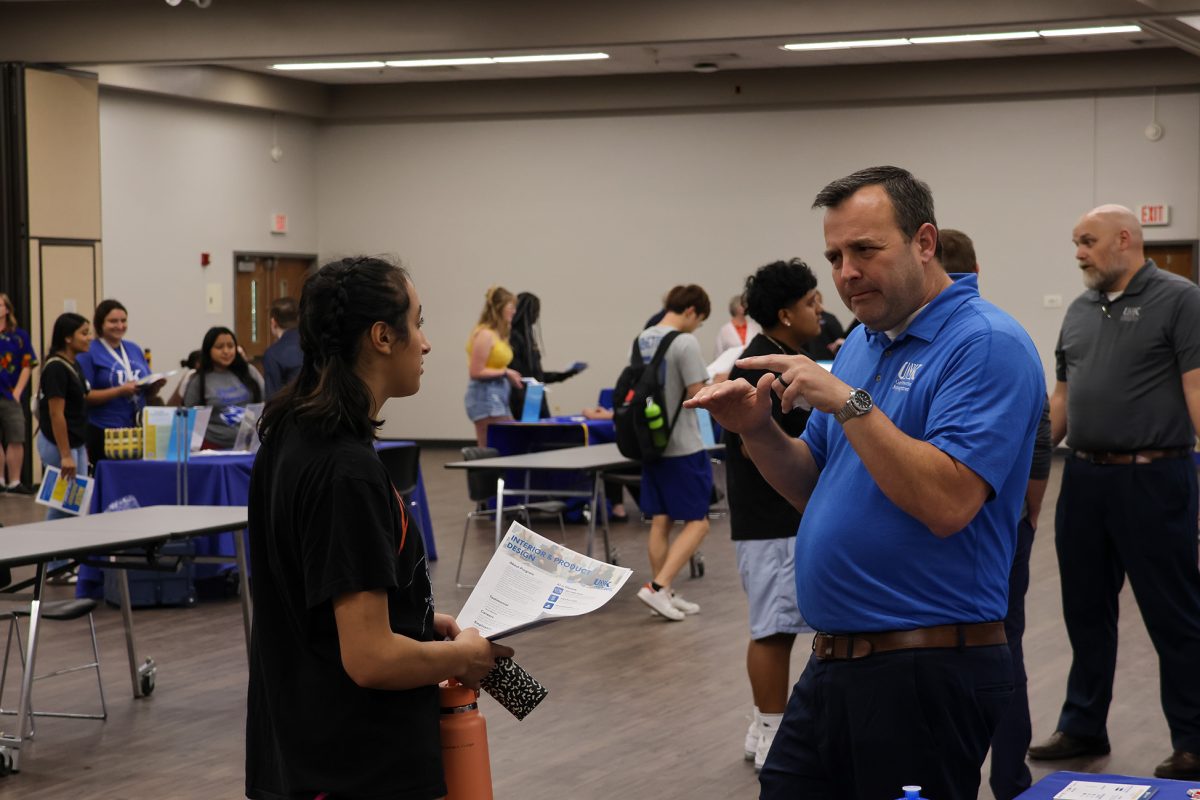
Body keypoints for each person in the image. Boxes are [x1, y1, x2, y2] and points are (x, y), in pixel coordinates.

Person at [686, 165, 1043, 800]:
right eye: (835, 255)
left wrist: (850, 403)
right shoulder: (863, 344)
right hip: (833, 665)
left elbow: (948, 502)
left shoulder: (986, 343)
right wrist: (758, 431)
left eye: (865, 250)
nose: (846, 271)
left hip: (925, 667)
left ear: (924, 243)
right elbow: (812, 486)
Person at [247, 256, 512, 800]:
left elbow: (319, 597)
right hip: (353, 767)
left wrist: (416, 618)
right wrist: (465, 656)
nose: (427, 343)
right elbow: (371, 658)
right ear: (382, 337)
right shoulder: (346, 469)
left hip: (300, 753)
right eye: (419, 322)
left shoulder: (289, 434)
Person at [1028, 205, 1200, 781]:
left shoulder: (1180, 298)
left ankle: (1194, 739)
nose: (1078, 251)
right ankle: (1082, 723)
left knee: (1174, 614)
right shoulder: (1077, 311)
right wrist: (1021, 465)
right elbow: (1060, 400)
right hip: (1083, 478)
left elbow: (1196, 389)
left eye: (1088, 241)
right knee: (1084, 609)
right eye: (1076, 241)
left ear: (1125, 239)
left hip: (1155, 477)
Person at [933, 228, 1053, 800]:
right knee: (1006, 647)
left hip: (979, 532)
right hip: (996, 529)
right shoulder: (994, 336)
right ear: (975, 267)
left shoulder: (986, 340)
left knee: (993, 650)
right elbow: (1041, 442)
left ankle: (1004, 779)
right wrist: (1028, 514)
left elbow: (1037, 439)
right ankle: (1010, 781)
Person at [725, 259, 823, 771]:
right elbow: (755, 446)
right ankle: (770, 733)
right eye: (812, 302)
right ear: (785, 314)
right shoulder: (762, 365)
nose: (821, 310)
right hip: (770, 523)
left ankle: (763, 726)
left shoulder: (789, 357)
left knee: (780, 625)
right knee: (773, 629)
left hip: (783, 522)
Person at [632, 283, 712, 622]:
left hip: (652, 443)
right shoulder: (685, 342)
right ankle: (658, 587)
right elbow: (697, 393)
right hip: (683, 445)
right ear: (691, 311)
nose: (698, 327)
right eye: (701, 320)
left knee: (661, 518)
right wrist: (718, 380)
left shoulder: (641, 339)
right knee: (699, 522)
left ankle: (664, 592)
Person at [78, 299, 163, 464]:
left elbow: (144, 389)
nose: (120, 326)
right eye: (113, 321)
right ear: (100, 323)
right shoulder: (89, 351)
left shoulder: (133, 348)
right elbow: (84, 395)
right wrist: (119, 391)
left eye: (123, 321)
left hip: (136, 428)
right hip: (104, 429)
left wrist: (154, 387)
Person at [36, 313, 92, 518]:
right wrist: (65, 455)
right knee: (61, 506)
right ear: (68, 338)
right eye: (84, 333)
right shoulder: (56, 368)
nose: (89, 338)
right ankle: (52, 549)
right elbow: (56, 413)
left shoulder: (74, 364)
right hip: (58, 443)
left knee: (74, 506)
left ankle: (70, 549)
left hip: (75, 441)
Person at [507, 291, 586, 419]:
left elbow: (536, 375)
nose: (537, 315)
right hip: (523, 399)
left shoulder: (527, 339)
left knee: (541, 434)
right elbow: (523, 376)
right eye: (536, 311)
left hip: (535, 395)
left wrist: (566, 374)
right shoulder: (514, 339)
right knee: (530, 435)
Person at [183, 326, 265, 449]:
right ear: (208, 350)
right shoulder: (198, 380)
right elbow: (189, 417)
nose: (226, 351)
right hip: (212, 446)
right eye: (219, 347)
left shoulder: (249, 372)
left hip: (249, 444)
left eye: (231, 346)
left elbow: (264, 403)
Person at [464, 286, 521, 447]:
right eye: (510, 307)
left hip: (498, 395)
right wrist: (506, 372)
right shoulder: (485, 334)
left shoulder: (499, 334)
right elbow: (476, 371)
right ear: (499, 308)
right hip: (485, 396)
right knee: (492, 447)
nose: (514, 311)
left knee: (504, 443)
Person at [0, 293, 37, 494]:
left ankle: (14, 481)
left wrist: (19, 391)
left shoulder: (18, 336)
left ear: (7, 309)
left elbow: (28, 363)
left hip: (10, 392)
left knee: (16, 435)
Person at [262, 296, 303, 398]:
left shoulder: (273, 353)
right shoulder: (315, 343)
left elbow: (273, 398)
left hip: (293, 410)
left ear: (273, 322)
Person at [801, 291, 847, 362]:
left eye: (817, 302)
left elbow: (839, 340)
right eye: (811, 304)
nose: (818, 308)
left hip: (828, 361)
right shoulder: (803, 322)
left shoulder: (830, 318)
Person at [713, 294, 762, 360]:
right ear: (737, 308)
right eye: (743, 305)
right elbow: (718, 355)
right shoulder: (724, 331)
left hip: (753, 366)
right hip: (731, 368)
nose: (746, 307)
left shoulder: (755, 327)